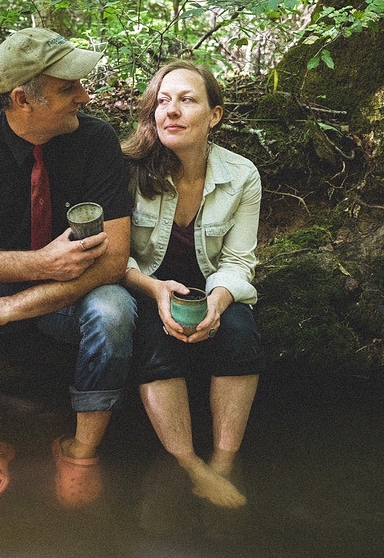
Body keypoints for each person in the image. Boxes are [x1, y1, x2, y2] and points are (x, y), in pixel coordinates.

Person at [0, 27, 136, 507]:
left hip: (68, 301)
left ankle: (80, 452)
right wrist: (37, 263)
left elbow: (115, 260)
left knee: (115, 308)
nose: (84, 95)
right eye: (67, 88)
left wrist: (9, 307)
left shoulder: (96, 141)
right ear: (22, 98)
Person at [121, 60, 262, 509]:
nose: (172, 111)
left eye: (187, 100)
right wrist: (155, 290)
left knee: (240, 331)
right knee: (154, 338)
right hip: (143, 287)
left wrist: (219, 302)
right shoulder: (127, 169)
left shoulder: (241, 175)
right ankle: (190, 466)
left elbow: (239, 260)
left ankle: (222, 463)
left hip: (209, 289)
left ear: (214, 115)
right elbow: (112, 256)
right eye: (163, 101)